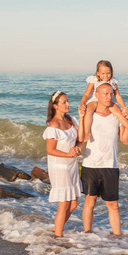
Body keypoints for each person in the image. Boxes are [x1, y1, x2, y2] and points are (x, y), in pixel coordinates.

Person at [81, 82, 128, 236]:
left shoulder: (116, 115)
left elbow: (125, 140)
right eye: (105, 93)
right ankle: (87, 234)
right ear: (96, 95)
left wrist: (127, 121)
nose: (109, 96)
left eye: (111, 94)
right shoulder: (90, 114)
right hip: (90, 165)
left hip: (110, 165)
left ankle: (117, 237)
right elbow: (83, 136)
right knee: (89, 202)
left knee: (113, 205)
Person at [43, 90, 85, 238]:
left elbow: (81, 138)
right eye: (64, 102)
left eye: (68, 101)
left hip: (72, 165)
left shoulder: (71, 120)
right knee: (64, 204)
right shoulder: (53, 126)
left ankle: (56, 228)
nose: (68, 104)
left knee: (73, 203)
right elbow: (50, 150)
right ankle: (58, 237)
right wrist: (68, 153)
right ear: (55, 106)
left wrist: (78, 147)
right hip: (59, 167)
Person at [79, 60, 128, 142]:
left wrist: (123, 107)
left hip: (108, 100)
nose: (106, 76)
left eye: (108, 73)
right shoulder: (94, 80)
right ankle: (86, 133)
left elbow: (117, 95)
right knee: (89, 111)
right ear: (98, 73)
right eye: (103, 73)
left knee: (118, 112)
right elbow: (86, 94)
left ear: (112, 72)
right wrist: (82, 103)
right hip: (95, 99)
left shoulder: (112, 81)